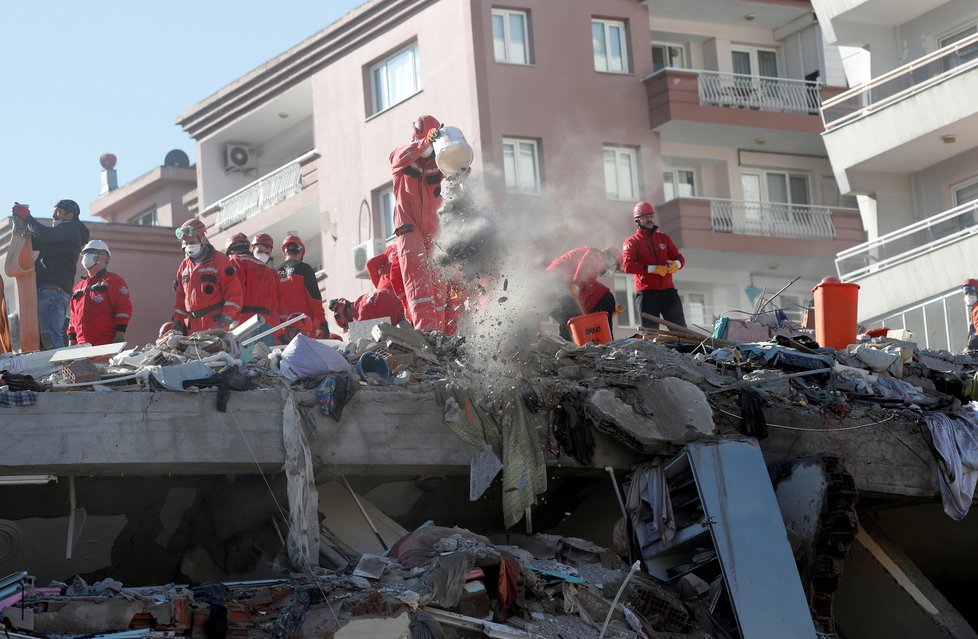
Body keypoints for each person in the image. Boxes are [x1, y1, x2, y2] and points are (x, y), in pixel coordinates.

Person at [390, 114, 446, 332]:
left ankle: (440, 335)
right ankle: (427, 333)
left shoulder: (438, 162)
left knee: (438, 283)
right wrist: (422, 143)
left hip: (434, 228)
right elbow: (398, 157)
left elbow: (455, 169)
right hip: (408, 226)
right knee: (418, 278)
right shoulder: (402, 156)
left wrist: (461, 168)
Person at [11, 200, 90, 349]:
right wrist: (21, 228)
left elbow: (45, 235)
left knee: (50, 337)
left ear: (70, 215)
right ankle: (59, 368)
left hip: (53, 291)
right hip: (50, 291)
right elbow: (33, 242)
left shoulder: (70, 229)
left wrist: (27, 217)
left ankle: (63, 368)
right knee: (45, 339)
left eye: (58, 212)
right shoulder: (59, 238)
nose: (54, 215)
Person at [171, 218, 243, 334]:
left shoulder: (219, 260)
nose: (189, 246)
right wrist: (178, 321)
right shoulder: (184, 267)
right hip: (192, 327)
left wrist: (228, 314)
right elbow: (180, 299)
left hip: (215, 323)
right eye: (187, 243)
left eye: (192, 242)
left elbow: (233, 290)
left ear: (203, 239)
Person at [622, 201, 687, 329]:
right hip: (647, 294)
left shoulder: (664, 238)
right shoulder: (632, 242)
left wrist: (677, 264)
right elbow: (627, 266)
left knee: (681, 330)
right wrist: (652, 269)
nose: (650, 219)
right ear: (637, 220)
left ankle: (686, 350)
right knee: (650, 333)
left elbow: (679, 258)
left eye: (651, 216)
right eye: (646, 217)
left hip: (668, 292)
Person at [66, 240, 131, 346]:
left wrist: (120, 334)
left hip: (105, 345)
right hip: (80, 348)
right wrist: (71, 344)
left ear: (104, 257)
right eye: (85, 253)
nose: (87, 256)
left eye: (91, 252)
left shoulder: (113, 281)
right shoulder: (78, 288)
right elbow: (73, 320)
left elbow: (123, 309)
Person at [547, 247, 621, 340]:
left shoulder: (590, 274)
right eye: (612, 267)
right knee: (572, 317)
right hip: (555, 283)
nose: (609, 270)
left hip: (549, 288)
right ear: (610, 259)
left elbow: (584, 292)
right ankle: (568, 346)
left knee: (569, 317)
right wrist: (577, 285)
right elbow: (585, 265)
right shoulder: (596, 254)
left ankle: (567, 344)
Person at [225, 233, 280, 342]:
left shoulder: (237, 261)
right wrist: (276, 329)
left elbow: (235, 293)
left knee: (245, 358)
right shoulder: (268, 270)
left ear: (230, 250)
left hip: (245, 322)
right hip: (266, 323)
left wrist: (230, 319)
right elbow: (274, 305)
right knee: (267, 358)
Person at [277, 234, 327, 339]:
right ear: (301, 252)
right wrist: (323, 322)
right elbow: (315, 299)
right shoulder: (304, 268)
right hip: (304, 326)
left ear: (284, 252)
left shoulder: (274, 273)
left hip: (283, 329)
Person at [328, 290, 405, 333]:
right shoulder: (362, 298)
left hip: (400, 321)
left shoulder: (361, 320)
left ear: (348, 313)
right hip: (402, 305)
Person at [366, 244, 408, 319]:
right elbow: (370, 264)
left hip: (393, 298)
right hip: (400, 292)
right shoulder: (392, 249)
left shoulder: (391, 251)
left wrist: (379, 285)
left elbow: (370, 264)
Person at [965, 279, 978, 350]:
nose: (968, 296)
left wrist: (971, 346)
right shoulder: (974, 309)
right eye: (966, 294)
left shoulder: (977, 309)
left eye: (971, 293)